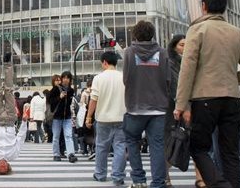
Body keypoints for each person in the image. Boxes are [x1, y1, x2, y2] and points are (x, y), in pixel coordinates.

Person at [174, 0, 240, 188]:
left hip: (204, 99)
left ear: (204, 6)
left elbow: (187, 69)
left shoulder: (197, 29)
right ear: (224, 7)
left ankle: (220, 185)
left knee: (198, 147)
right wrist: (231, 79)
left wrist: (181, 104)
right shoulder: (239, 33)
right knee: (230, 152)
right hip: (232, 98)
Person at [122, 20, 170, 187]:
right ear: (152, 34)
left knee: (132, 141)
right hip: (159, 108)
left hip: (135, 107)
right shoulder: (163, 53)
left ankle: (139, 180)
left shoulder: (129, 52)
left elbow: (126, 79)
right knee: (157, 146)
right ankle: (158, 183)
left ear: (135, 34)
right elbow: (168, 79)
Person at [85, 51, 127, 186]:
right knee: (120, 147)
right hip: (121, 117)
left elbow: (93, 100)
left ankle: (100, 174)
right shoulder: (124, 77)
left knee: (102, 147)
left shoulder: (98, 78)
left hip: (103, 119)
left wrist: (88, 117)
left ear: (104, 62)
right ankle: (118, 177)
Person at [165, 34, 191, 187]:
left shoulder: (189, 61)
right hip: (173, 108)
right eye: (182, 45)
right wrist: (183, 107)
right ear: (174, 47)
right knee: (170, 141)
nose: (185, 48)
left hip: (186, 105)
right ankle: (165, 177)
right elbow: (175, 86)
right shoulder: (170, 62)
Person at [48, 71, 78, 163]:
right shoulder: (56, 89)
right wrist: (59, 97)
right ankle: (56, 154)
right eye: (64, 77)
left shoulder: (71, 90)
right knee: (56, 136)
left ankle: (71, 154)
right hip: (57, 117)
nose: (66, 79)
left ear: (70, 80)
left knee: (68, 136)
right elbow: (50, 102)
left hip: (67, 117)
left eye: (68, 78)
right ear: (61, 79)